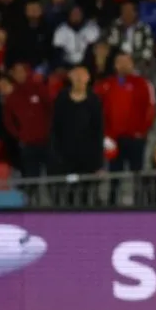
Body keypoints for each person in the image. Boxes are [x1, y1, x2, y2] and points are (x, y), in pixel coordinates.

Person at [94, 52, 156, 205]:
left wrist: (141, 132)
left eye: (125, 61)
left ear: (131, 64)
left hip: (135, 138)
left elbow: (151, 109)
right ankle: (112, 204)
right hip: (113, 139)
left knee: (137, 173)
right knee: (114, 173)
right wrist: (106, 134)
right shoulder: (106, 85)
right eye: (119, 62)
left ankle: (140, 203)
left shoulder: (143, 84)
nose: (122, 65)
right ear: (115, 65)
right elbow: (97, 109)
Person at [49, 64, 104, 206]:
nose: (79, 78)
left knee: (85, 192)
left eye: (82, 75)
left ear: (88, 78)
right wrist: (57, 155)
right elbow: (56, 127)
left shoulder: (94, 100)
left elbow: (98, 131)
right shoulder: (62, 98)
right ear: (70, 77)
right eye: (76, 75)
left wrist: (98, 162)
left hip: (87, 157)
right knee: (68, 192)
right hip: (66, 156)